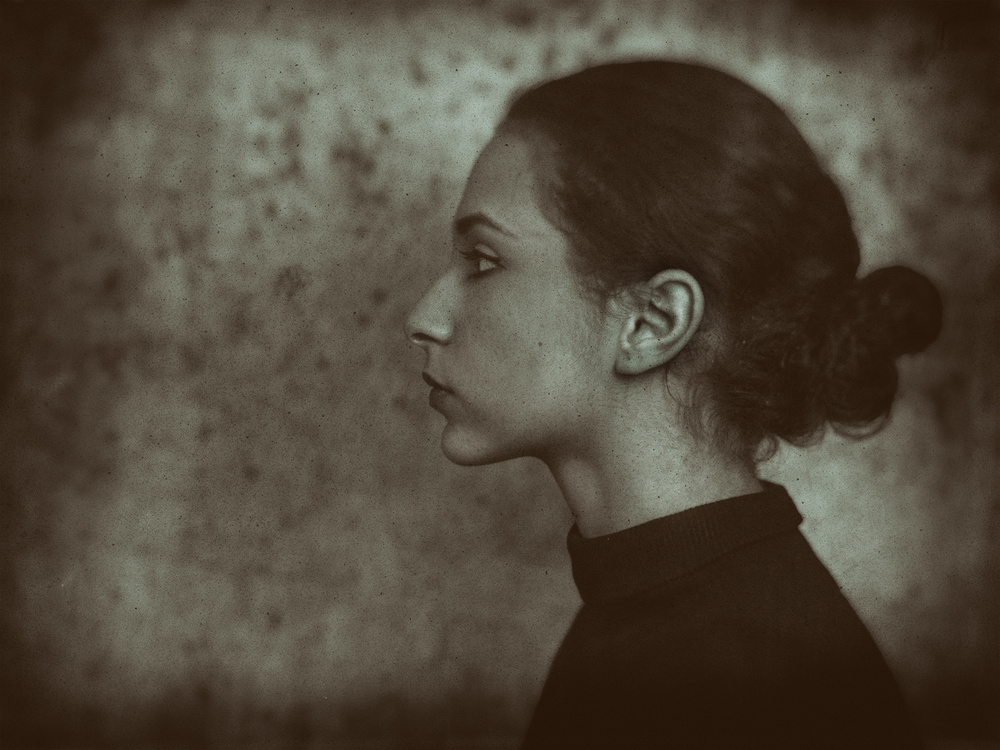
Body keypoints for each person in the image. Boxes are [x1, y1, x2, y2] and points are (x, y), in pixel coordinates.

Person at [405, 60, 940, 749]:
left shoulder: (721, 676)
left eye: (484, 261)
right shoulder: (672, 612)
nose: (424, 317)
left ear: (651, 323)